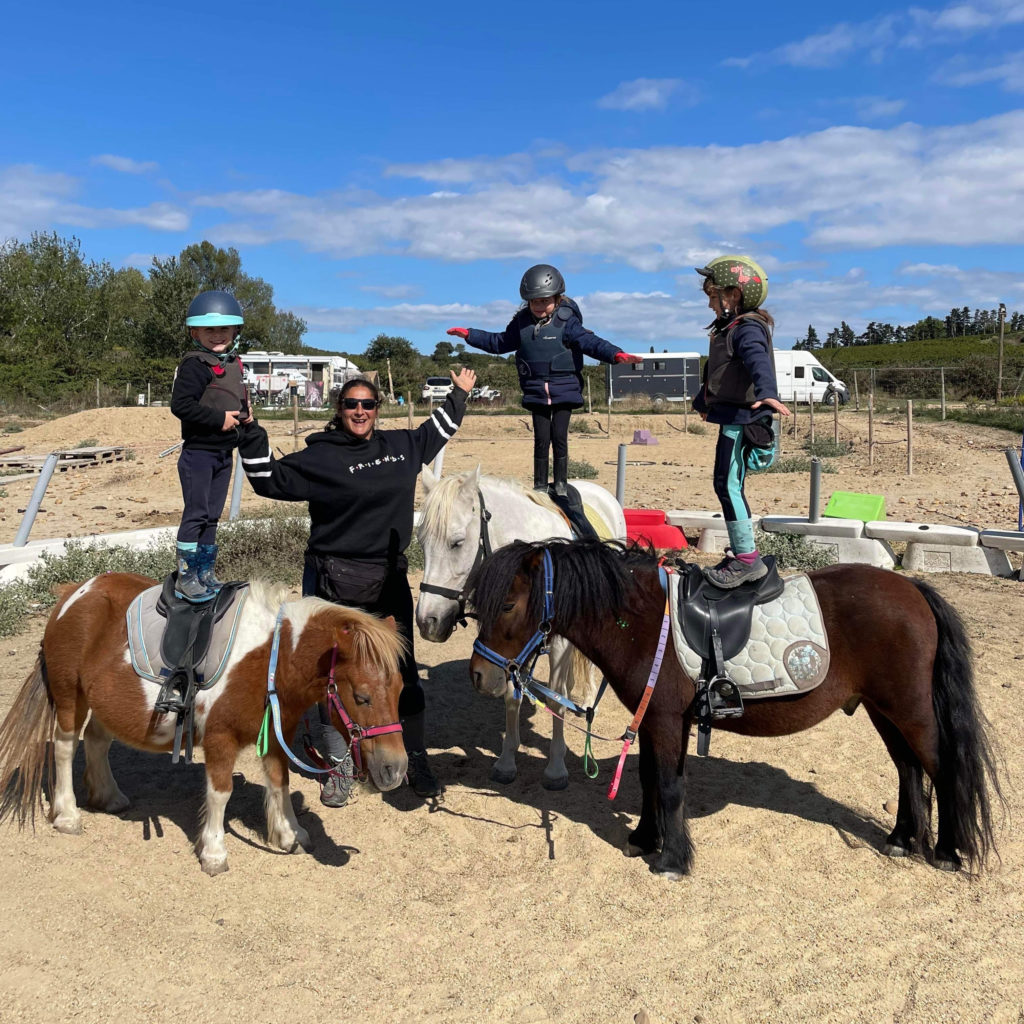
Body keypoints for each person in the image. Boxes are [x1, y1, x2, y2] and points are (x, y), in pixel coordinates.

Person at [238, 367, 477, 805]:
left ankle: (416, 757)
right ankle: (338, 764)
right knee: (328, 678)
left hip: (387, 578)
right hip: (331, 579)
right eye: (352, 404)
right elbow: (266, 479)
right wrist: (251, 431)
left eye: (368, 404)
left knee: (401, 673)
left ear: (377, 410)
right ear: (340, 409)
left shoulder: (401, 447)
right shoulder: (320, 457)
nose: (361, 411)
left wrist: (459, 394)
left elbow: (437, 429)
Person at [447, 264, 641, 497]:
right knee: (541, 439)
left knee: (559, 437)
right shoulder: (521, 323)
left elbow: (591, 343)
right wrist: (470, 335)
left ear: (558, 299)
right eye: (534, 301)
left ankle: (560, 484)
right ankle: (539, 484)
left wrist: (615, 354)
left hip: (564, 390)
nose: (539, 306)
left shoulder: (568, 322)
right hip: (536, 392)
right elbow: (499, 342)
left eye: (545, 301)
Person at [692, 256, 791, 589]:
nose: (709, 303)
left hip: (743, 420)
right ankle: (743, 554)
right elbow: (718, 375)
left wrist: (768, 393)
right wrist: (702, 404)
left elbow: (757, 360)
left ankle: (747, 560)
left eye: (712, 295)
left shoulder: (747, 328)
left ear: (732, 295)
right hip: (731, 418)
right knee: (725, 483)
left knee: (728, 485)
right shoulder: (728, 329)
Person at [169, 290, 252, 602]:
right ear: (195, 333)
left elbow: (234, 398)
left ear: (235, 332)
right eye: (209, 330)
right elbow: (181, 406)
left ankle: (205, 573)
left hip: (223, 454)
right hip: (199, 454)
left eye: (224, 330)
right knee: (196, 513)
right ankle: (186, 577)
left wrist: (247, 414)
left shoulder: (233, 363)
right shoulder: (194, 365)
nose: (217, 336)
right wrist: (219, 419)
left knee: (213, 515)